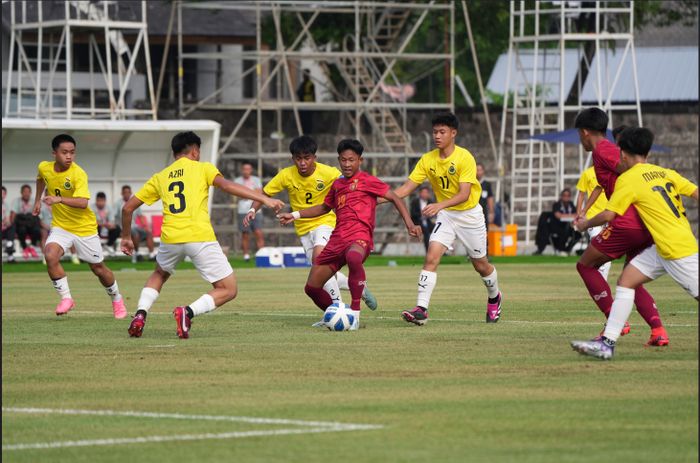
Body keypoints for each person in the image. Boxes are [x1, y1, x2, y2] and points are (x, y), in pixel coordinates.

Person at [121, 131, 284, 339]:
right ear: (195, 151)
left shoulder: (160, 177)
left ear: (174, 153)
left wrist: (126, 237)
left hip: (170, 237)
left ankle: (140, 315)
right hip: (199, 236)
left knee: (160, 274)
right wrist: (265, 199)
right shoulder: (203, 168)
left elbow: (127, 209)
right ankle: (187, 312)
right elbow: (227, 186)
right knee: (228, 289)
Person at [571, 127, 698, 360]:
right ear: (647, 154)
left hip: (676, 251)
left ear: (622, 154)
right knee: (627, 281)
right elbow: (695, 192)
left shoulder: (629, 179)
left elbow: (609, 215)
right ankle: (607, 344)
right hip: (663, 245)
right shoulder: (665, 172)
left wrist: (584, 223)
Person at [278, 139, 421, 329]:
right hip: (337, 239)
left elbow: (394, 196)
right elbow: (323, 207)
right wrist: (295, 215)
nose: (347, 164)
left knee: (354, 257)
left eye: (351, 160)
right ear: (339, 160)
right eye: (343, 160)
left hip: (359, 237)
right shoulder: (337, 185)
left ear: (360, 160)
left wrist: (409, 224)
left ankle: (355, 314)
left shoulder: (369, 181)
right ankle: (338, 314)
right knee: (311, 287)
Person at [390, 112, 503, 325]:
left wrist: (438, 205)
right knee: (431, 256)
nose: (437, 136)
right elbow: (406, 187)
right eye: (435, 132)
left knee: (481, 265)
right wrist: (382, 199)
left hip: (470, 215)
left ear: (453, 133)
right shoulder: (427, 159)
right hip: (448, 215)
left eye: (442, 132)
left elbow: (464, 194)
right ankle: (421, 309)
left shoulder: (464, 157)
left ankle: (495, 296)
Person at [245, 135, 378, 310]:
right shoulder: (286, 175)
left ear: (314, 157)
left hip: (326, 222)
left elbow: (353, 183)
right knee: (320, 272)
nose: (302, 163)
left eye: (306, 158)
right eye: (298, 159)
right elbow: (265, 193)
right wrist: (252, 210)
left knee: (319, 260)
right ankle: (359, 288)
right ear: (293, 159)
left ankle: (338, 309)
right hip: (303, 228)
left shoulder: (329, 173)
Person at [572, 108, 668, 346]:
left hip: (627, 221)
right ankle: (658, 330)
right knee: (631, 276)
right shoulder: (605, 151)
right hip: (642, 220)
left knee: (586, 266)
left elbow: (632, 169)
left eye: (579, 134)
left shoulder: (603, 148)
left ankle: (615, 321)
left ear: (584, 132)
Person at [33, 134, 127, 318]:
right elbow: (41, 179)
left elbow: (83, 202)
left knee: (98, 268)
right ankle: (67, 298)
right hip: (61, 226)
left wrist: (58, 199)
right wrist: (37, 200)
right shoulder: (44, 167)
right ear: (54, 153)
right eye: (64, 152)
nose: (69, 156)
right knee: (50, 255)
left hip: (84, 228)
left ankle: (117, 299)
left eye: (72, 153)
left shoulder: (78, 174)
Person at [576, 166, 610, 277]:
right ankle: (598, 279)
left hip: (607, 215)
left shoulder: (609, 172)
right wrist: (579, 213)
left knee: (607, 251)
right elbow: (581, 194)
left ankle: (601, 282)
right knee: (599, 244)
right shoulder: (587, 173)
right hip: (592, 217)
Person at [113, 185, 157, 262]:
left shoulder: (134, 202)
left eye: (128, 192)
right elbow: (113, 217)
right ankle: (137, 253)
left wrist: (145, 226)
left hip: (135, 226)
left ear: (131, 193)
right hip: (123, 228)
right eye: (125, 192)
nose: (126, 194)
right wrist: (118, 230)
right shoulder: (117, 204)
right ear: (122, 193)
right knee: (135, 233)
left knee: (149, 232)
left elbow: (141, 216)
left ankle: (152, 254)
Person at [234, 162, 265, 262]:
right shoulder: (237, 181)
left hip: (256, 210)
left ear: (251, 170)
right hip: (243, 210)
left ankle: (261, 254)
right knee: (245, 233)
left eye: (248, 169)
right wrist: (252, 193)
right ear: (242, 170)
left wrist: (245, 193)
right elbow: (238, 194)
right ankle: (246, 255)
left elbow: (259, 193)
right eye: (244, 169)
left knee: (258, 232)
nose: (246, 171)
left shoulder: (256, 180)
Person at [533, 188, 579, 255]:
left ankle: (567, 250)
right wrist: (570, 216)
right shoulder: (557, 204)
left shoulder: (571, 205)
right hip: (558, 227)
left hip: (569, 227)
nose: (566, 197)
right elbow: (558, 215)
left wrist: (566, 216)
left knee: (578, 235)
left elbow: (576, 214)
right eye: (564, 195)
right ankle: (561, 249)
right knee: (564, 231)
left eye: (568, 196)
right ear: (561, 196)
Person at [11, 184, 42, 259]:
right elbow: (13, 214)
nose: (26, 193)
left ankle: (31, 247)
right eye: (24, 192)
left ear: (30, 193)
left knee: (37, 230)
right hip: (21, 223)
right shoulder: (16, 201)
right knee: (22, 230)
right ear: (21, 193)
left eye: (28, 192)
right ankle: (25, 248)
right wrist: (12, 226)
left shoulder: (34, 201)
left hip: (31, 223)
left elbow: (38, 215)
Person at [410, 186, 435, 252]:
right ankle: (429, 251)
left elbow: (434, 214)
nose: (424, 194)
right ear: (420, 193)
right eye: (423, 192)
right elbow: (413, 214)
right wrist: (421, 214)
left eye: (426, 192)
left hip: (428, 221)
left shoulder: (430, 201)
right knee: (426, 233)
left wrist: (429, 214)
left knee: (437, 230)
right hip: (418, 222)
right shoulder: (415, 202)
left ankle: (439, 251)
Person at [296, 69, 315, 134]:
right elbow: (299, 92)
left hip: (308, 105)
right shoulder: (303, 83)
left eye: (305, 74)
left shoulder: (310, 84)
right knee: (303, 121)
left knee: (308, 121)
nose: (303, 76)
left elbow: (313, 95)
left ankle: (308, 132)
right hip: (303, 105)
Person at [476, 163, 495, 228]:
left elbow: (490, 198)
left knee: (485, 231)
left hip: (483, 211)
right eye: (477, 170)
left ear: (483, 171)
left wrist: (491, 212)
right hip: (473, 212)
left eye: (480, 170)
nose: (478, 172)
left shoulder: (487, 185)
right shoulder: (472, 184)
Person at [2, 185, 17, 263]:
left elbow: (8, 219)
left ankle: (9, 246)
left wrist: (7, 223)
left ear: (5, 195)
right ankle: (9, 247)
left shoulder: (6, 205)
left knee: (12, 226)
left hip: (3, 228)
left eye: (3, 194)